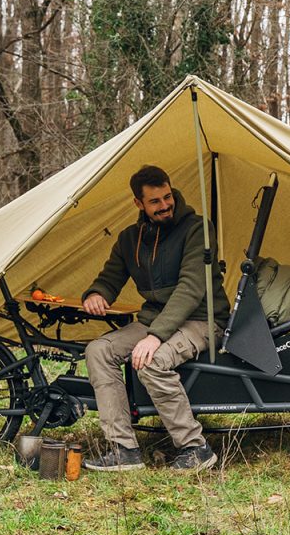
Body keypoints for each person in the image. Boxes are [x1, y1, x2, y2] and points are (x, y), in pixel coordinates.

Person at [81, 165, 230, 471]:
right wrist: (96, 294)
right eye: (155, 201)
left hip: (203, 319)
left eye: (167, 197)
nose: (164, 205)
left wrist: (155, 336)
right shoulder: (129, 238)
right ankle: (123, 449)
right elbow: (110, 278)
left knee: (151, 361)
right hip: (156, 321)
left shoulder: (197, 229)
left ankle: (195, 447)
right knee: (99, 350)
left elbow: (191, 288)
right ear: (139, 203)